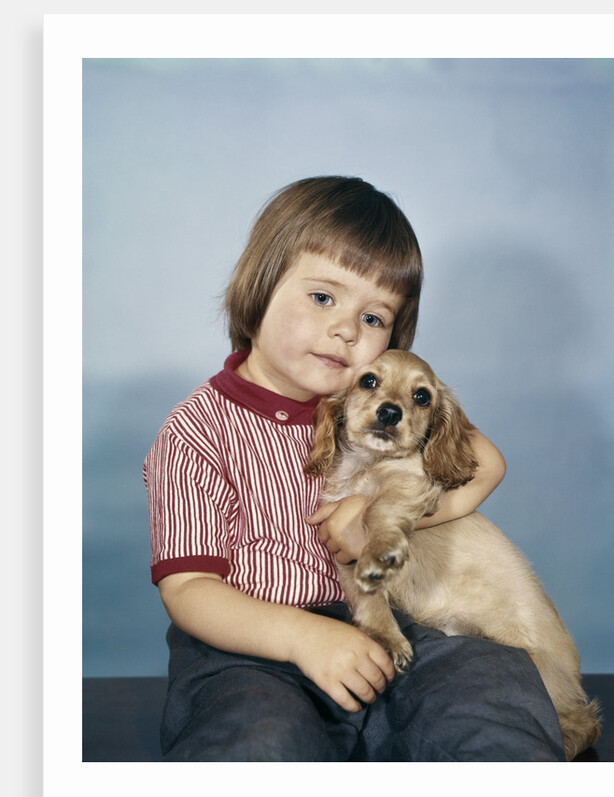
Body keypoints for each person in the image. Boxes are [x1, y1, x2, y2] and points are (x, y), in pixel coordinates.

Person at [143, 176, 566, 761]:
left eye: (374, 318)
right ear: (261, 288)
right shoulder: (198, 430)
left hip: (396, 622)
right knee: (256, 736)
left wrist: (391, 522)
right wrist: (300, 636)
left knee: (490, 695)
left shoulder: (370, 396)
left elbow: (486, 464)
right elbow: (189, 590)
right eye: (323, 298)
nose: (346, 329)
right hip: (256, 644)